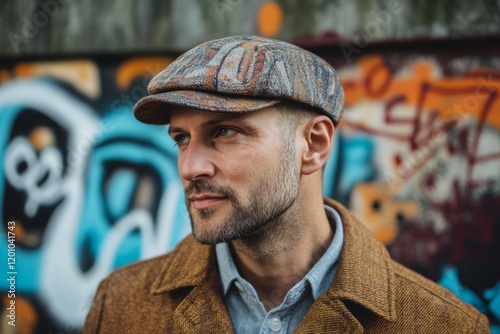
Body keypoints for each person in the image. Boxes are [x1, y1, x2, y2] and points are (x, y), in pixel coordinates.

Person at [83, 35, 490, 333]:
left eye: (225, 132)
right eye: (181, 138)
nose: (190, 166)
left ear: (313, 145)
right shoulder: (121, 306)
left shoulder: (442, 324)